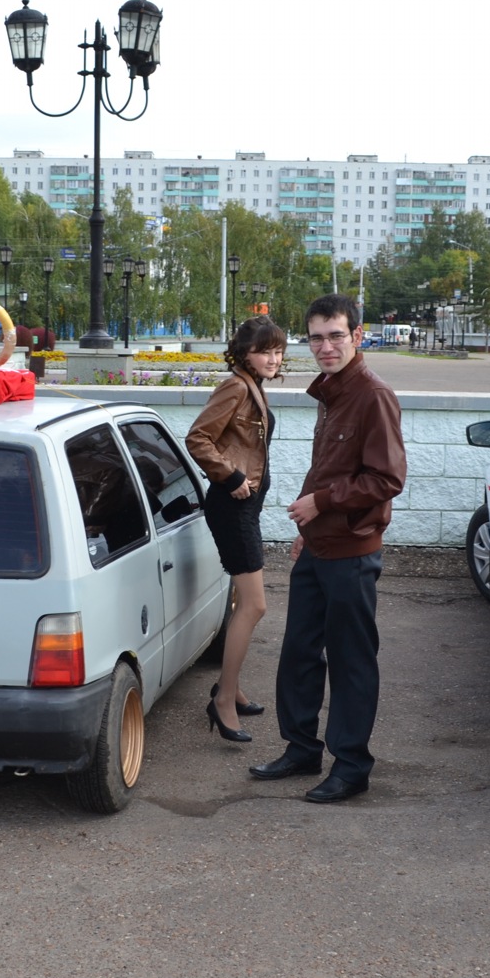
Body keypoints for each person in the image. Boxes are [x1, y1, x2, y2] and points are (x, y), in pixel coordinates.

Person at [250, 294, 406, 803]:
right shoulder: (334, 392)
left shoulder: (372, 394)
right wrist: (308, 524)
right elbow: (331, 468)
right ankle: (301, 749)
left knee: (350, 659)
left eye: (336, 335)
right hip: (319, 545)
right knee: (298, 652)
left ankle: (351, 765)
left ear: (357, 336)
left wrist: (321, 503)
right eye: (316, 337)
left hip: (353, 550)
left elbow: (385, 478)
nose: (325, 346)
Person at [184, 316, 288, 743]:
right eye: (265, 351)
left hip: (246, 505)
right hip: (232, 506)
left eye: (279, 351)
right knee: (254, 605)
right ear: (245, 353)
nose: (273, 358)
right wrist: (230, 478)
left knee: (241, 604)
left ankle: (233, 686)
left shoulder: (253, 386)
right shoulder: (236, 386)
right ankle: (223, 699)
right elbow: (198, 439)